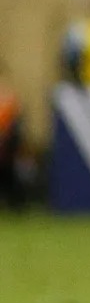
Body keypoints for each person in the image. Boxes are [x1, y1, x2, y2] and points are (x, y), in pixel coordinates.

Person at [0, 62, 27, 212]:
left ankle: (15, 203)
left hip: (8, 144)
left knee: (11, 172)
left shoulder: (9, 98)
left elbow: (15, 123)